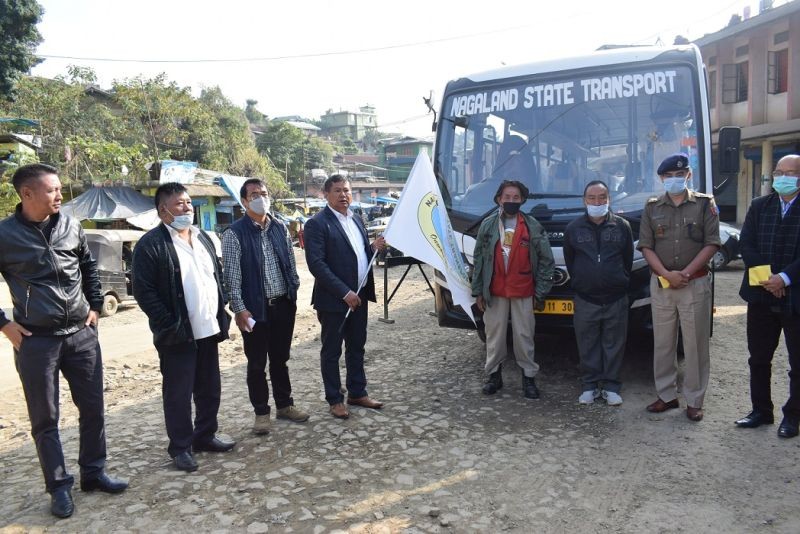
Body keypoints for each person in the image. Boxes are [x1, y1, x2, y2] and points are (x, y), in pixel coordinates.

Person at [0, 164, 128, 519]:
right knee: (46, 419)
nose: (60, 195)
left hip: (81, 335)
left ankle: (94, 472)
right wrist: (5, 326)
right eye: (52, 190)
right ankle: (58, 487)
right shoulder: (5, 235)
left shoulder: (71, 225)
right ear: (27, 194)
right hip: (36, 342)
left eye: (59, 189)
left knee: (93, 409)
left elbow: (87, 266)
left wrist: (96, 306)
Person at [132, 182, 235, 472]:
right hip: (177, 334)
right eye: (180, 204)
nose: (187, 208)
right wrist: (168, 321)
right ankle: (180, 447)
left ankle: (205, 436)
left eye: (189, 203)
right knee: (178, 393)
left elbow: (217, 276)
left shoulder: (203, 239)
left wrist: (222, 306)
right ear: (163, 210)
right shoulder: (151, 245)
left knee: (209, 388)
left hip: (208, 328)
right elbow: (144, 291)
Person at [222, 179, 308, 436]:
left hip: (283, 305)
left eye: (264, 193)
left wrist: (293, 290)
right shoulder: (234, 234)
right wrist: (239, 309)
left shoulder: (280, 227)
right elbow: (232, 277)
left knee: (281, 359)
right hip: (254, 311)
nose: (261, 198)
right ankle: (261, 413)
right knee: (257, 364)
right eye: (254, 194)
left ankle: (285, 405)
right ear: (244, 201)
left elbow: (290, 264)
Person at [638, 153, 720, 422]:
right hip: (661, 284)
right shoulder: (652, 207)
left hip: (693, 282)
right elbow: (646, 246)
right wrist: (665, 274)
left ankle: (695, 400)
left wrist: (683, 273)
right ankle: (666, 395)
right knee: (663, 343)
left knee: (695, 344)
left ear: (688, 176)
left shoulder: (704, 204)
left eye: (679, 175)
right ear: (661, 178)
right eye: (668, 176)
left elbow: (712, 243)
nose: (674, 180)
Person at [304, 174, 386, 419]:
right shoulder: (317, 224)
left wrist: (374, 248)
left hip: (359, 296)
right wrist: (344, 292)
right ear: (326, 195)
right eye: (337, 190)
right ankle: (334, 398)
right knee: (332, 350)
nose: (343, 195)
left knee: (357, 346)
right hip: (333, 300)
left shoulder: (357, 219)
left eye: (347, 190)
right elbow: (317, 264)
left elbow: (359, 254)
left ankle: (357, 392)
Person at [735, 154, 800, 439]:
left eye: (790, 173)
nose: (782, 177)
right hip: (761, 295)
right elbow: (746, 243)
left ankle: (793, 416)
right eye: (778, 171)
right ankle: (761, 410)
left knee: (797, 362)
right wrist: (768, 279)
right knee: (759, 357)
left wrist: (784, 278)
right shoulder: (760, 206)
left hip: (795, 296)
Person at [471, 179, 555, 399]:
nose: (511, 201)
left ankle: (528, 378)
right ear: (499, 199)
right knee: (494, 336)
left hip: (524, 290)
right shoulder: (488, 225)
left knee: (524, 336)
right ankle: (494, 376)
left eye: (515, 198)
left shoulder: (532, 226)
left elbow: (546, 260)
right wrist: (478, 290)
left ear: (522, 200)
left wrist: (541, 291)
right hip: (495, 292)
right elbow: (479, 258)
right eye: (507, 197)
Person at [564, 180, 633, 406]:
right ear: (584, 201)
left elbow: (627, 260)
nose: (597, 202)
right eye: (592, 198)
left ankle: (611, 386)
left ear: (609, 199)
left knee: (614, 343)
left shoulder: (622, 226)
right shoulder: (573, 228)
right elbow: (570, 261)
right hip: (586, 299)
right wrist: (585, 281)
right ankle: (590, 386)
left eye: (602, 197)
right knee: (587, 343)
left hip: (615, 299)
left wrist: (616, 280)